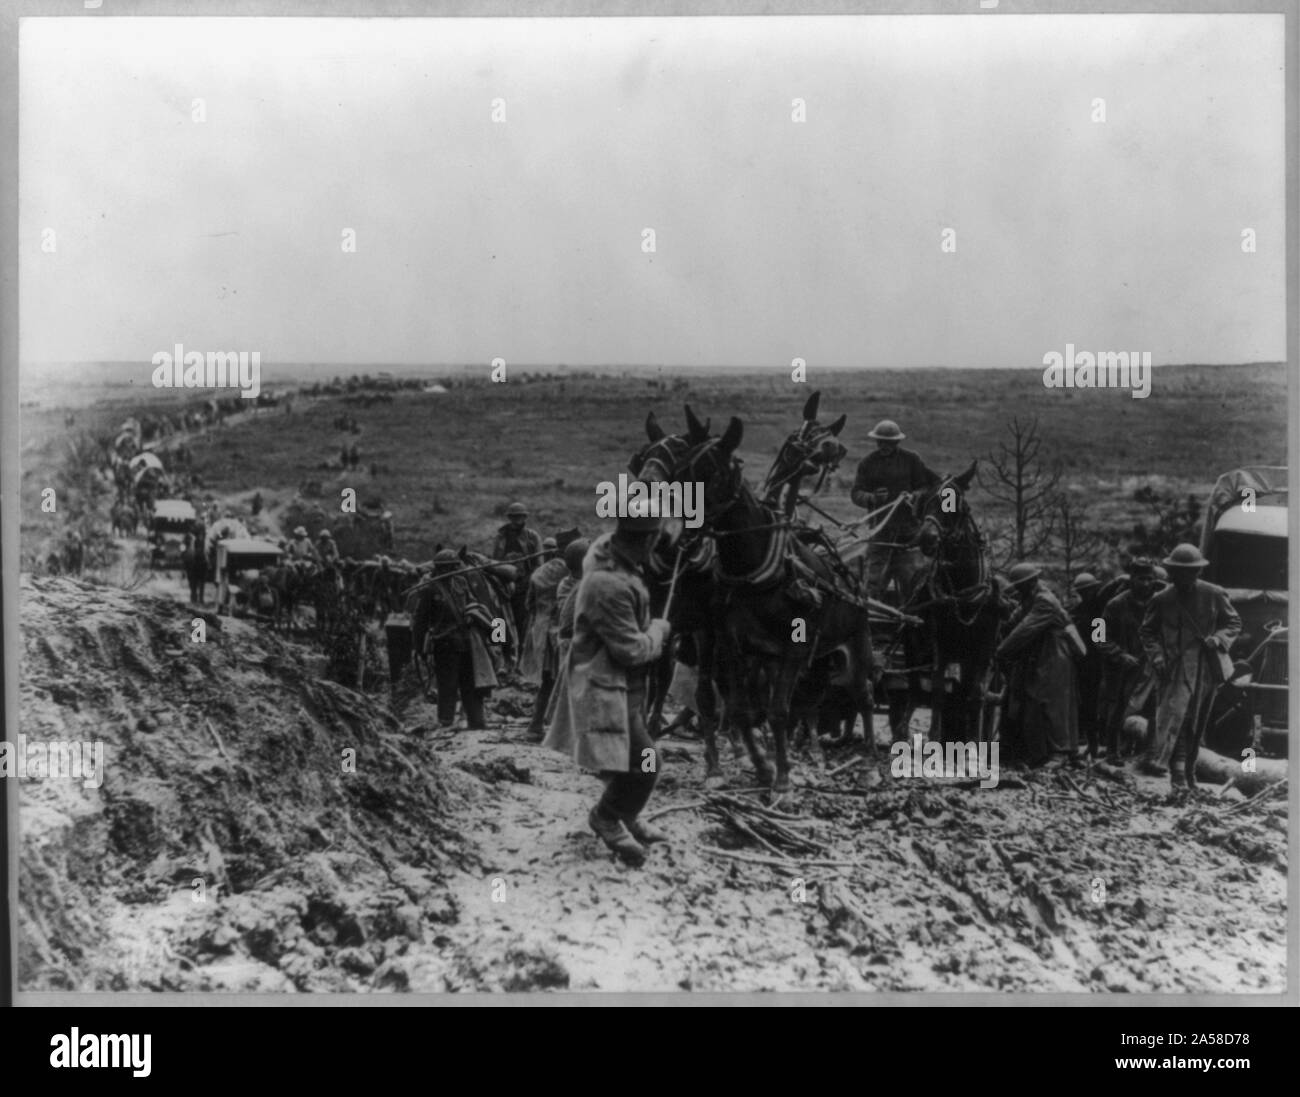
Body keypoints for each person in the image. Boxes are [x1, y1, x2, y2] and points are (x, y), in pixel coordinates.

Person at [543, 514, 672, 867]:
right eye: (655, 541)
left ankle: (627, 816)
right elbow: (630, 650)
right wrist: (658, 632)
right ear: (645, 541)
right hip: (604, 684)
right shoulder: (607, 585)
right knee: (647, 761)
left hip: (626, 686)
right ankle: (607, 816)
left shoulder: (612, 553)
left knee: (631, 756)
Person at [1138, 544, 1241, 792]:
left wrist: (1218, 639)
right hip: (1173, 669)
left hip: (1206, 669)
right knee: (1178, 718)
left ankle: (1190, 774)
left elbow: (1234, 622)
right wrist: (1158, 657)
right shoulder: (1161, 599)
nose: (1186, 577)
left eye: (1191, 572)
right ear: (1172, 572)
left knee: (1197, 721)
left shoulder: (1214, 594)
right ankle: (1177, 775)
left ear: (1198, 572)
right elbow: (1147, 631)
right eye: (1180, 572)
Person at [995, 563, 1081, 767]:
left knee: (1051, 702)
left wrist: (1002, 651)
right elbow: (1012, 623)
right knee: (1028, 700)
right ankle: (1028, 751)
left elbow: (1025, 630)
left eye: (1020, 585)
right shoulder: (1028, 599)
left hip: (1055, 654)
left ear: (1031, 582)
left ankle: (1060, 753)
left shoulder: (1045, 601)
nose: (1017, 589)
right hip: (1039, 653)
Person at [849, 420, 941, 599]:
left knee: (914, 581)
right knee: (872, 584)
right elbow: (856, 493)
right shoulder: (867, 463)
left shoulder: (911, 459)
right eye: (880, 442)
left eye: (888, 442)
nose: (883, 446)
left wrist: (914, 496)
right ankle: (872, 617)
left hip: (909, 533)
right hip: (880, 533)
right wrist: (873, 498)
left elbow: (925, 486)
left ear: (896, 442)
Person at [415, 548, 499, 729]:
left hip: (467, 640)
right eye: (444, 568)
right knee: (448, 684)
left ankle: (476, 720)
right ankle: (445, 721)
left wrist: (472, 614)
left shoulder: (461, 582)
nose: (448, 572)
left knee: (471, 682)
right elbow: (420, 621)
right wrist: (419, 648)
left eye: (451, 567)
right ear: (437, 569)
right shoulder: (430, 589)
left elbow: (472, 603)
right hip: (444, 642)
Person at [1095, 557, 1160, 765]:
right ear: (1131, 579)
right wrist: (1119, 654)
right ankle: (1112, 752)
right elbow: (1098, 637)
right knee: (1116, 709)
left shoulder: (1159, 603)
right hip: (1121, 667)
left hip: (1150, 666)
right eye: (1141, 579)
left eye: (1150, 579)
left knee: (1154, 709)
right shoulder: (1114, 605)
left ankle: (1151, 754)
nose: (1146, 584)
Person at [522, 530, 583, 740]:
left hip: (542, 634)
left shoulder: (539, 572)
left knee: (547, 681)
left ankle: (535, 725)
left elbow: (528, 604)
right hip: (562, 635)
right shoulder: (573, 572)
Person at [1070, 572, 1108, 761]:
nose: (1088, 593)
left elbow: (1100, 640)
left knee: (1094, 706)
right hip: (1081, 663)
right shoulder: (1076, 611)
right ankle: (1087, 745)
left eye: (1090, 590)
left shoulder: (1100, 610)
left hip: (1096, 664)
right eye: (1084, 591)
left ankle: (1094, 747)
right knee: (1083, 706)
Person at [492, 502, 543, 635]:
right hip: (504, 584)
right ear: (509, 518)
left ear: (525, 518)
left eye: (519, 516)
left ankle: (521, 650)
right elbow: (495, 562)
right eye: (513, 517)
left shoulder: (532, 537)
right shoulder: (500, 537)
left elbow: (539, 564)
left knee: (523, 622)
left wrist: (530, 582)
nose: (516, 520)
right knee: (501, 619)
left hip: (524, 584)